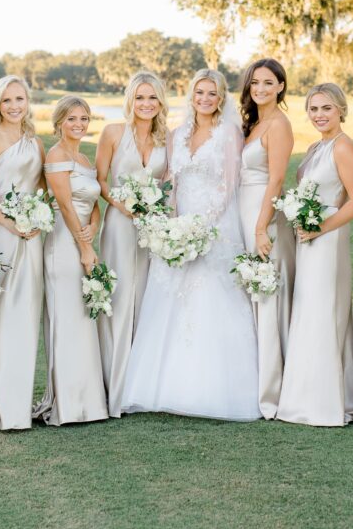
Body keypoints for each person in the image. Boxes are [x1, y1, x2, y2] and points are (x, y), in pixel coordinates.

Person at [122, 69, 261, 421]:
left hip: (214, 227)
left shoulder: (229, 133)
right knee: (170, 298)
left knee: (212, 298)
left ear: (221, 98)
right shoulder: (176, 134)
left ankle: (213, 390)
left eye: (212, 94)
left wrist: (199, 227)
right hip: (178, 225)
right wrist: (170, 225)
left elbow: (229, 184)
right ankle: (162, 388)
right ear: (191, 95)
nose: (205, 99)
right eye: (199, 92)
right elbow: (170, 179)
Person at [277, 84, 353, 427]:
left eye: (326, 108)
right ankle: (303, 397)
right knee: (308, 311)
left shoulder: (343, 147)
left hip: (327, 239)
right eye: (313, 109)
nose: (319, 115)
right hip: (308, 238)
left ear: (341, 110)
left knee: (322, 311)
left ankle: (323, 403)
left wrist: (321, 228)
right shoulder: (316, 147)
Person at [0, 76, 46, 431]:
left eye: (20, 99)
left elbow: (46, 188)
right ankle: (1, 405)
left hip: (34, 236)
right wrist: (9, 223)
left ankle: (20, 401)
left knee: (28, 314)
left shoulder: (35, 141)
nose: (15, 106)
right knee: (5, 313)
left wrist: (39, 215)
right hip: (6, 234)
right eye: (7, 101)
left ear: (27, 101)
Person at [96, 72, 168, 417]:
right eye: (140, 98)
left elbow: (169, 184)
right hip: (119, 226)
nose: (146, 104)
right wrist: (121, 205)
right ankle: (113, 384)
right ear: (130, 99)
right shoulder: (112, 133)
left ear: (161, 102)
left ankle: (140, 384)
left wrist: (155, 211)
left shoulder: (166, 139)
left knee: (146, 299)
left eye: (152, 98)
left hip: (151, 229)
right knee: (119, 297)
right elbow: (99, 180)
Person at [33, 96, 108, 426]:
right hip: (65, 244)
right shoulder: (56, 156)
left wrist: (95, 225)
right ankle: (66, 403)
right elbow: (64, 207)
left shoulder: (83, 157)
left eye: (84, 119)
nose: (79, 124)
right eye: (72, 119)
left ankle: (88, 401)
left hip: (85, 237)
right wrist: (84, 249)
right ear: (59, 122)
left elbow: (93, 202)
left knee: (84, 317)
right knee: (67, 317)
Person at [238, 58, 295, 419]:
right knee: (251, 295)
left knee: (267, 295)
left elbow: (275, 180)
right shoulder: (256, 122)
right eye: (255, 83)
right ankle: (254, 378)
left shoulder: (279, 125)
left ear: (280, 87)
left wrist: (261, 227)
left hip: (263, 214)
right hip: (244, 211)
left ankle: (272, 391)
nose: (260, 88)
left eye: (268, 83)